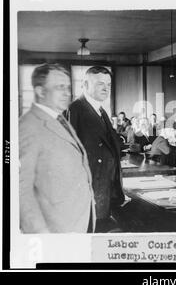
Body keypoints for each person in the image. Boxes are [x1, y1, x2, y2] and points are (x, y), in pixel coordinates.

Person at [19, 64, 95, 233]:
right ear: (40, 91)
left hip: (76, 222)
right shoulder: (28, 126)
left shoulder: (59, 119)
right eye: (60, 87)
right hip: (55, 231)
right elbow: (19, 191)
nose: (67, 93)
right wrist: (41, 236)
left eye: (68, 87)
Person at [65, 66, 125, 232]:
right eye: (100, 84)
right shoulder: (76, 109)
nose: (106, 88)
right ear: (85, 84)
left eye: (109, 84)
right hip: (88, 195)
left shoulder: (101, 111)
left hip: (104, 191)